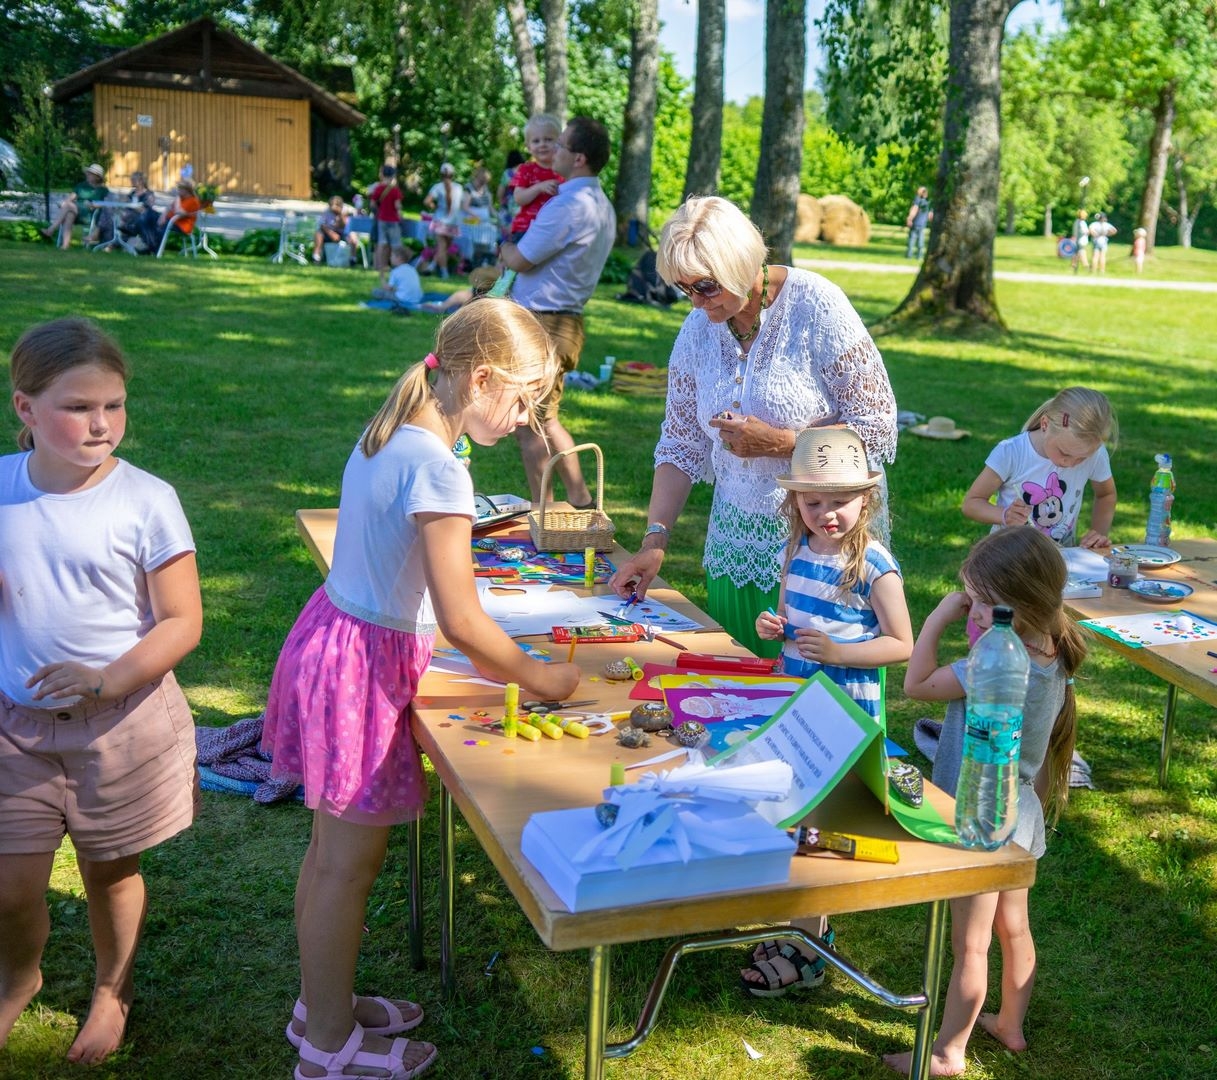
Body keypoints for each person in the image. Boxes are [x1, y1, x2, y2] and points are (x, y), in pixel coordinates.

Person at [260, 299, 580, 1080]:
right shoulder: (438, 469)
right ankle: (330, 1047)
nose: (526, 416)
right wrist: (544, 677)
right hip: (359, 672)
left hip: (340, 645)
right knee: (346, 867)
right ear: (480, 379)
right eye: (522, 398)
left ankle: (319, 1002)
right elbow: (466, 622)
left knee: (327, 854)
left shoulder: (393, 432)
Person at [0, 317, 202, 1065]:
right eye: (79, 406)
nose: (101, 423)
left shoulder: (146, 500)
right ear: (25, 408)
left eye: (114, 405)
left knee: (111, 871)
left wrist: (106, 678)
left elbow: (182, 621)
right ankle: (16, 979)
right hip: (14, 727)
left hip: (121, 725)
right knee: (11, 884)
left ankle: (111, 992)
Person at [608, 196, 898, 657]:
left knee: (825, 711)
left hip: (826, 549)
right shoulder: (697, 331)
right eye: (685, 289)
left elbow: (877, 424)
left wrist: (780, 443)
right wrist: (655, 538)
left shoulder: (815, 306)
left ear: (739, 263)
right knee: (739, 704)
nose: (697, 303)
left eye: (705, 286)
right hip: (735, 547)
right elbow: (680, 444)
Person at [883, 526, 1085, 1077]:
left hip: (980, 816)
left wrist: (936, 619)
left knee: (970, 947)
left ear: (1010, 608)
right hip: (1019, 813)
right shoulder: (1053, 653)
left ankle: (949, 1052)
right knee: (1013, 928)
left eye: (975, 600)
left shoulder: (994, 665)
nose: (967, 605)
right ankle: (1010, 1024)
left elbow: (917, 685)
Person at [739, 425, 913, 998]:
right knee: (793, 815)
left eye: (840, 501)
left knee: (821, 828)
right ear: (796, 502)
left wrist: (840, 652)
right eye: (814, 502)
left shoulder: (873, 566)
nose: (826, 513)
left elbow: (902, 645)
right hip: (798, 701)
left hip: (845, 711)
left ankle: (810, 948)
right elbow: (794, 621)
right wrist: (776, 626)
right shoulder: (796, 551)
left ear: (867, 498)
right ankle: (797, 928)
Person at [499, 116, 616, 509]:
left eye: (562, 145)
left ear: (579, 158)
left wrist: (504, 247)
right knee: (545, 419)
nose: (553, 151)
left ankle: (543, 513)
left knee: (528, 425)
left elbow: (521, 259)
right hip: (564, 320)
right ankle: (581, 500)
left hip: (542, 324)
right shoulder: (601, 203)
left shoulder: (568, 204)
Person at [961, 386, 1117, 549]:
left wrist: (1098, 535)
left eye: (1082, 458)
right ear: (1045, 424)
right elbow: (972, 503)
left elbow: (1106, 494)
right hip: (1008, 558)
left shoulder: (1095, 453)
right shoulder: (1011, 452)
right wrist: (1005, 515)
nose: (1070, 464)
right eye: (1064, 453)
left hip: (1060, 557)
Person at [508, 114, 564, 240]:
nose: (542, 144)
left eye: (549, 139)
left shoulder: (564, 171)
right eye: (536, 141)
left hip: (555, 230)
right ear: (528, 147)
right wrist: (539, 187)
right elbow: (518, 198)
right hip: (526, 229)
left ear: (559, 143)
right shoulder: (526, 169)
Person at [41, 163, 110, 249]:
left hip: (90, 213)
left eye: (91, 174)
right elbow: (71, 198)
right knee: (69, 213)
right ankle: (65, 245)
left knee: (69, 206)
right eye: (88, 173)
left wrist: (95, 205)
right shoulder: (82, 186)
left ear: (98, 177)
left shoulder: (103, 190)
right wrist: (63, 203)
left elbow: (107, 205)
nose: (88, 175)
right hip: (76, 211)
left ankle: (51, 229)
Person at [423, 162, 467, 280]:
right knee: (444, 247)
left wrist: (434, 206)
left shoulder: (437, 187)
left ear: (441, 175)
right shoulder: (459, 187)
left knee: (442, 247)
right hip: (453, 222)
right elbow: (461, 205)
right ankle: (438, 269)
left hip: (441, 221)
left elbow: (427, 201)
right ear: (453, 174)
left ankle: (440, 270)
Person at [368, 165, 405, 287]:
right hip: (393, 220)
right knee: (395, 244)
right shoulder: (395, 190)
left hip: (381, 219)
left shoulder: (378, 188)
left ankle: (379, 266)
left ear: (382, 174)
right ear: (393, 176)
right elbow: (398, 205)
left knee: (381, 243)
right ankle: (397, 267)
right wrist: (401, 217)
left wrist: (378, 211)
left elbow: (372, 203)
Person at [420, 265, 499, 314]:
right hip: (454, 303)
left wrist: (427, 306)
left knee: (427, 296)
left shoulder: (464, 295)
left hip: (449, 303)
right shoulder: (493, 300)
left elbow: (440, 308)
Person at [152, 179, 201, 254]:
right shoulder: (182, 198)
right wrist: (163, 216)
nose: (178, 190)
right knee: (150, 216)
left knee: (160, 226)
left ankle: (155, 249)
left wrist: (177, 197)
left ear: (186, 190)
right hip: (173, 221)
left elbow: (179, 212)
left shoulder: (193, 201)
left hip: (182, 226)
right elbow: (169, 207)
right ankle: (150, 246)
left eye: (180, 189)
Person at [118, 171, 159, 253]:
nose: (131, 181)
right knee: (112, 214)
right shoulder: (132, 193)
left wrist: (130, 204)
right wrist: (122, 199)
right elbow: (125, 203)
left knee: (118, 219)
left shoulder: (148, 194)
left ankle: (114, 243)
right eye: (131, 179)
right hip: (127, 217)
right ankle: (113, 242)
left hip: (139, 220)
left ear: (141, 181)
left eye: (134, 179)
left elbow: (146, 211)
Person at [313, 196, 350, 263]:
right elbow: (322, 225)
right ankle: (316, 256)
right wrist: (331, 233)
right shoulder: (327, 211)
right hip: (328, 233)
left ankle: (351, 259)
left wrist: (340, 215)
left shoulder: (344, 211)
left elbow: (343, 226)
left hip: (342, 234)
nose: (332, 208)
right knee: (319, 233)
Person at [496, 148, 525, 232]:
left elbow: (500, 193)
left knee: (508, 235)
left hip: (510, 206)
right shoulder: (527, 171)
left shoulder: (508, 173)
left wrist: (502, 202)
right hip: (524, 206)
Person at [905, 185, 932, 259]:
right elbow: (930, 215)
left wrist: (909, 219)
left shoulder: (917, 200)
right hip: (921, 224)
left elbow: (914, 209)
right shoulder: (927, 202)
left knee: (912, 240)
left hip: (916, 223)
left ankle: (909, 256)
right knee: (920, 241)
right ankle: (918, 256)